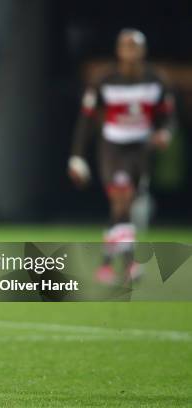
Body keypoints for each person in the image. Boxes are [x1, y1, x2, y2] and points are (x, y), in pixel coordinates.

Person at [68, 28, 174, 284]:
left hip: (140, 150)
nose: (130, 51)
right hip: (112, 148)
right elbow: (87, 119)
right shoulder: (104, 80)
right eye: (126, 46)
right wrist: (77, 155)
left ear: (143, 50)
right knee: (123, 197)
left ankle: (105, 264)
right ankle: (129, 266)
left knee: (122, 208)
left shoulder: (156, 80)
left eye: (134, 46)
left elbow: (168, 117)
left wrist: (165, 132)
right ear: (118, 51)